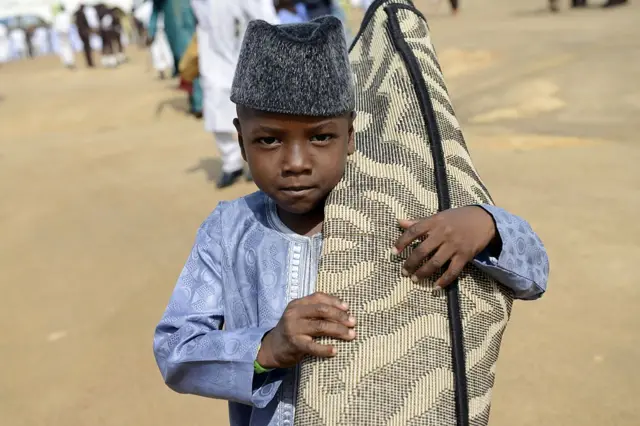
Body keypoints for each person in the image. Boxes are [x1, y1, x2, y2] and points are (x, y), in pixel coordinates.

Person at [153, 17, 549, 425]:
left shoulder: (397, 210)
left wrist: (485, 225)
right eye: (268, 139)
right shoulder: (228, 229)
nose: (295, 164)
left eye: (321, 137)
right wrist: (265, 348)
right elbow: (175, 349)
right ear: (240, 140)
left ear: (351, 136)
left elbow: (534, 275)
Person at [190, 0, 279, 188]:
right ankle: (231, 163)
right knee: (215, 109)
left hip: (247, 55)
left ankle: (257, 161)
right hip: (213, 57)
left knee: (256, 112)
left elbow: (266, 17)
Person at [148, 0, 202, 118]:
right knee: (184, 66)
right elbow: (155, 12)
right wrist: (151, 32)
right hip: (174, 33)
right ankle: (195, 101)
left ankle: (199, 104)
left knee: (194, 63)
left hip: (193, 30)